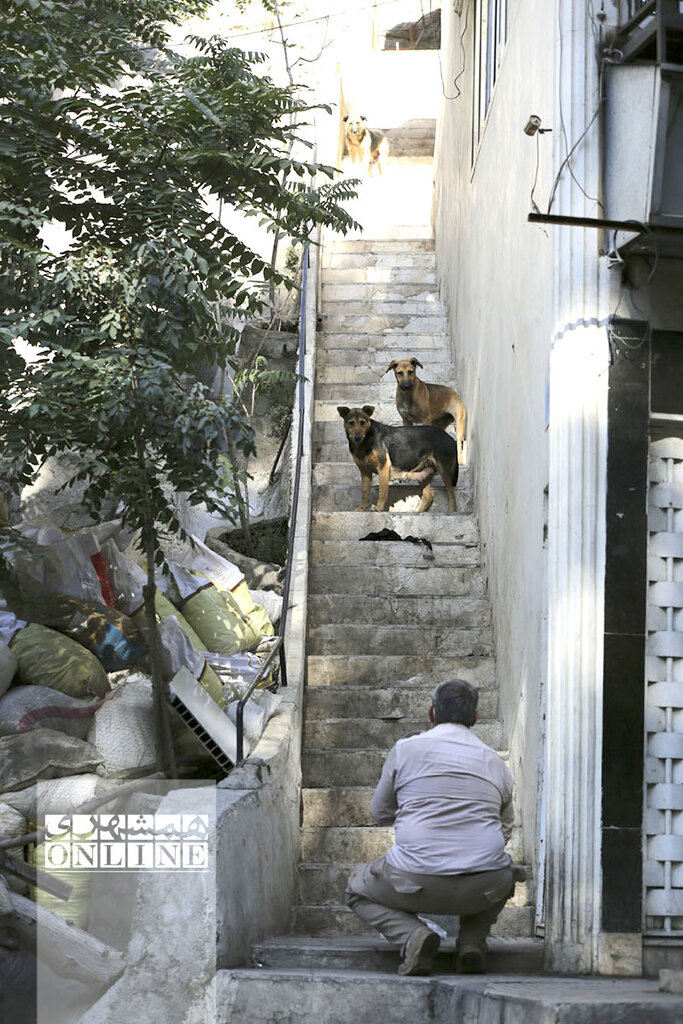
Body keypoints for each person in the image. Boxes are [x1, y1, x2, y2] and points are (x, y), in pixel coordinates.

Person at [345, 678, 519, 976]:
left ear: (431, 713)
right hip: (483, 887)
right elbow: (506, 828)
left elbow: (380, 813)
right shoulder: (496, 764)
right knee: (505, 873)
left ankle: (413, 936)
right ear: (476, 718)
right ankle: (472, 944)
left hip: (414, 881)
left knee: (356, 889)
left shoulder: (405, 750)